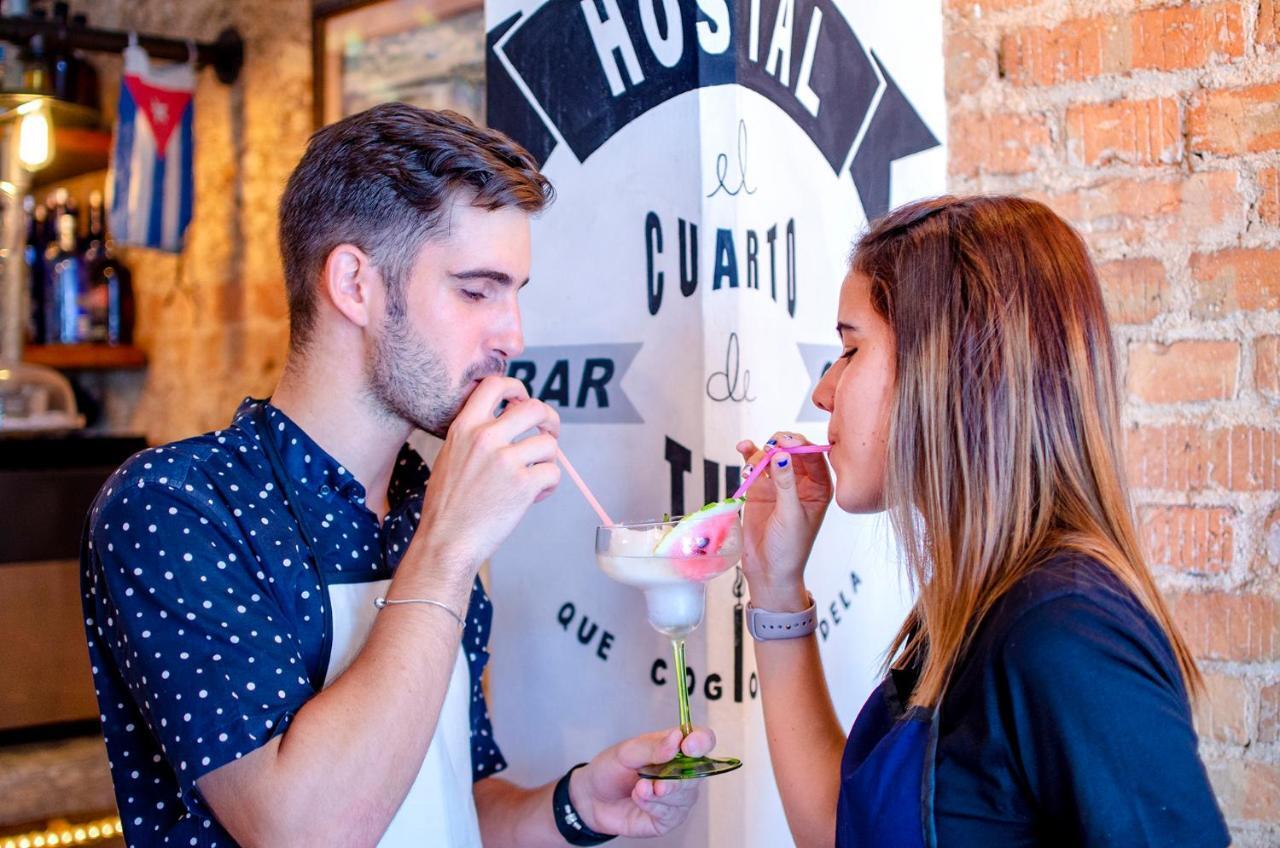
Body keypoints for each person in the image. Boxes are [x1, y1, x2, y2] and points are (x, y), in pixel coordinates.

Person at [81, 102, 714, 847]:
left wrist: (576, 806)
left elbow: (446, 796)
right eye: (477, 290)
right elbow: (305, 830)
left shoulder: (423, 505)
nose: (514, 335)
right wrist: (448, 549)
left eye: (516, 293)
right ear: (354, 284)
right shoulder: (175, 506)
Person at [736, 195, 1229, 847]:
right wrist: (776, 587)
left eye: (851, 351)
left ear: (948, 367)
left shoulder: (1068, 632)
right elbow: (841, 829)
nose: (825, 390)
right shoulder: (978, 599)